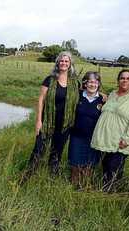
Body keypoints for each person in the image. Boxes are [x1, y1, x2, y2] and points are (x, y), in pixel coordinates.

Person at [19, 51, 80, 184]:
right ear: (58, 63)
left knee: (56, 153)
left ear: (70, 64)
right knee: (38, 151)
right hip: (47, 123)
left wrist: (103, 95)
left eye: (66, 61)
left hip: (64, 125)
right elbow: (41, 99)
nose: (64, 63)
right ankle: (26, 178)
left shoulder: (75, 83)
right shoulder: (50, 79)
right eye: (61, 61)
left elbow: (88, 91)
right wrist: (38, 121)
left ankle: (52, 178)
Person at [91, 69, 129, 192]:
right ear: (118, 80)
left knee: (113, 166)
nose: (125, 80)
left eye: (128, 78)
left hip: (121, 141)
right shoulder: (112, 94)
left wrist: (127, 138)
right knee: (106, 164)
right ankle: (106, 189)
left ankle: (110, 193)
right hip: (107, 140)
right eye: (122, 78)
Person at [68, 71, 104, 188]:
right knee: (75, 164)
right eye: (90, 82)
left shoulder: (103, 100)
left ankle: (85, 187)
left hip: (94, 138)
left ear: (98, 84)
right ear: (85, 83)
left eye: (95, 82)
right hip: (76, 137)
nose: (92, 84)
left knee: (89, 166)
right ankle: (73, 188)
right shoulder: (77, 95)